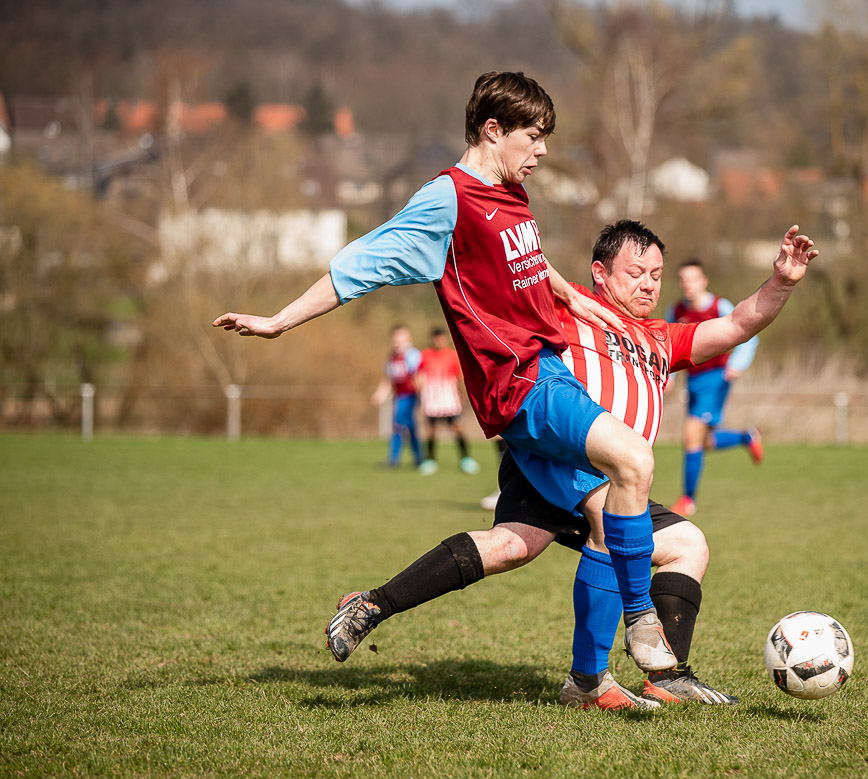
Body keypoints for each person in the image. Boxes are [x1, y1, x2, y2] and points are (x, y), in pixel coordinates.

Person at [213, 71, 676, 673]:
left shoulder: (512, 195)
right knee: (634, 461)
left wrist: (569, 295)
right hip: (522, 383)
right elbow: (363, 262)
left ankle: (379, 607)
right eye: (533, 137)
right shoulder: (448, 198)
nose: (542, 151)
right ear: (492, 130)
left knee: (518, 542)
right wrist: (279, 321)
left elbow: (526, 260)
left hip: (543, 378)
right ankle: (640, 625)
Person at [324, 220, 818, 710]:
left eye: (656, 274)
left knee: (664, 545)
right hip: (556, 458)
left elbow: (737, 324)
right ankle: (586, 683)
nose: (648, 282)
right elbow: (512, 272)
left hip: (617, 481)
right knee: (593, 517)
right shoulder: (567, 307)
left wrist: (781, 282)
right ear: (600, 273)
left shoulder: (661, 338)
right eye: (636, 271)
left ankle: (669, 676)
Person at [667, 260, 764, 517]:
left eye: (693, 279)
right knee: (704, 441)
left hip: (716, 378)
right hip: (693, 380)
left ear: (703, 281)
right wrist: (668, 375)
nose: (687, 285)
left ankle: (688, 499)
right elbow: (666, 344)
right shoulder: (675, 310)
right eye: (683, 280)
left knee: (690, 435)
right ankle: (747, 437)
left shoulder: (719, 306)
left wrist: (737, 363)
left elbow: (747, 333)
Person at [416, 327, 479, 475]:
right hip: (432, 400)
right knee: (431, 430)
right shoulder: (425, 355)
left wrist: (462, 397)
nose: (439, 341)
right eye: (436, 338)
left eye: (441, 338)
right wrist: (421, 394)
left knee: (458, 428)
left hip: (449, 399)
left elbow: (460, 378)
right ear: (432, 339)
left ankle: (466, 459)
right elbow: (419, 375)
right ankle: (430, 460)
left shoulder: (453, 355)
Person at [371, 324, 423, 469]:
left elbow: (418, 377)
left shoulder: (413, 354)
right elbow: (388, 379)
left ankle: (393, 459)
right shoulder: (391, 357)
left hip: (410, 396)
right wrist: (380, 394)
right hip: (399, 396)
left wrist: (423, 398)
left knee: (398, 422)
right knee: (410, 426)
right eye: (395, 336)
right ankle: (419, 458)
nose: (397, 339)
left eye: (400, 336)